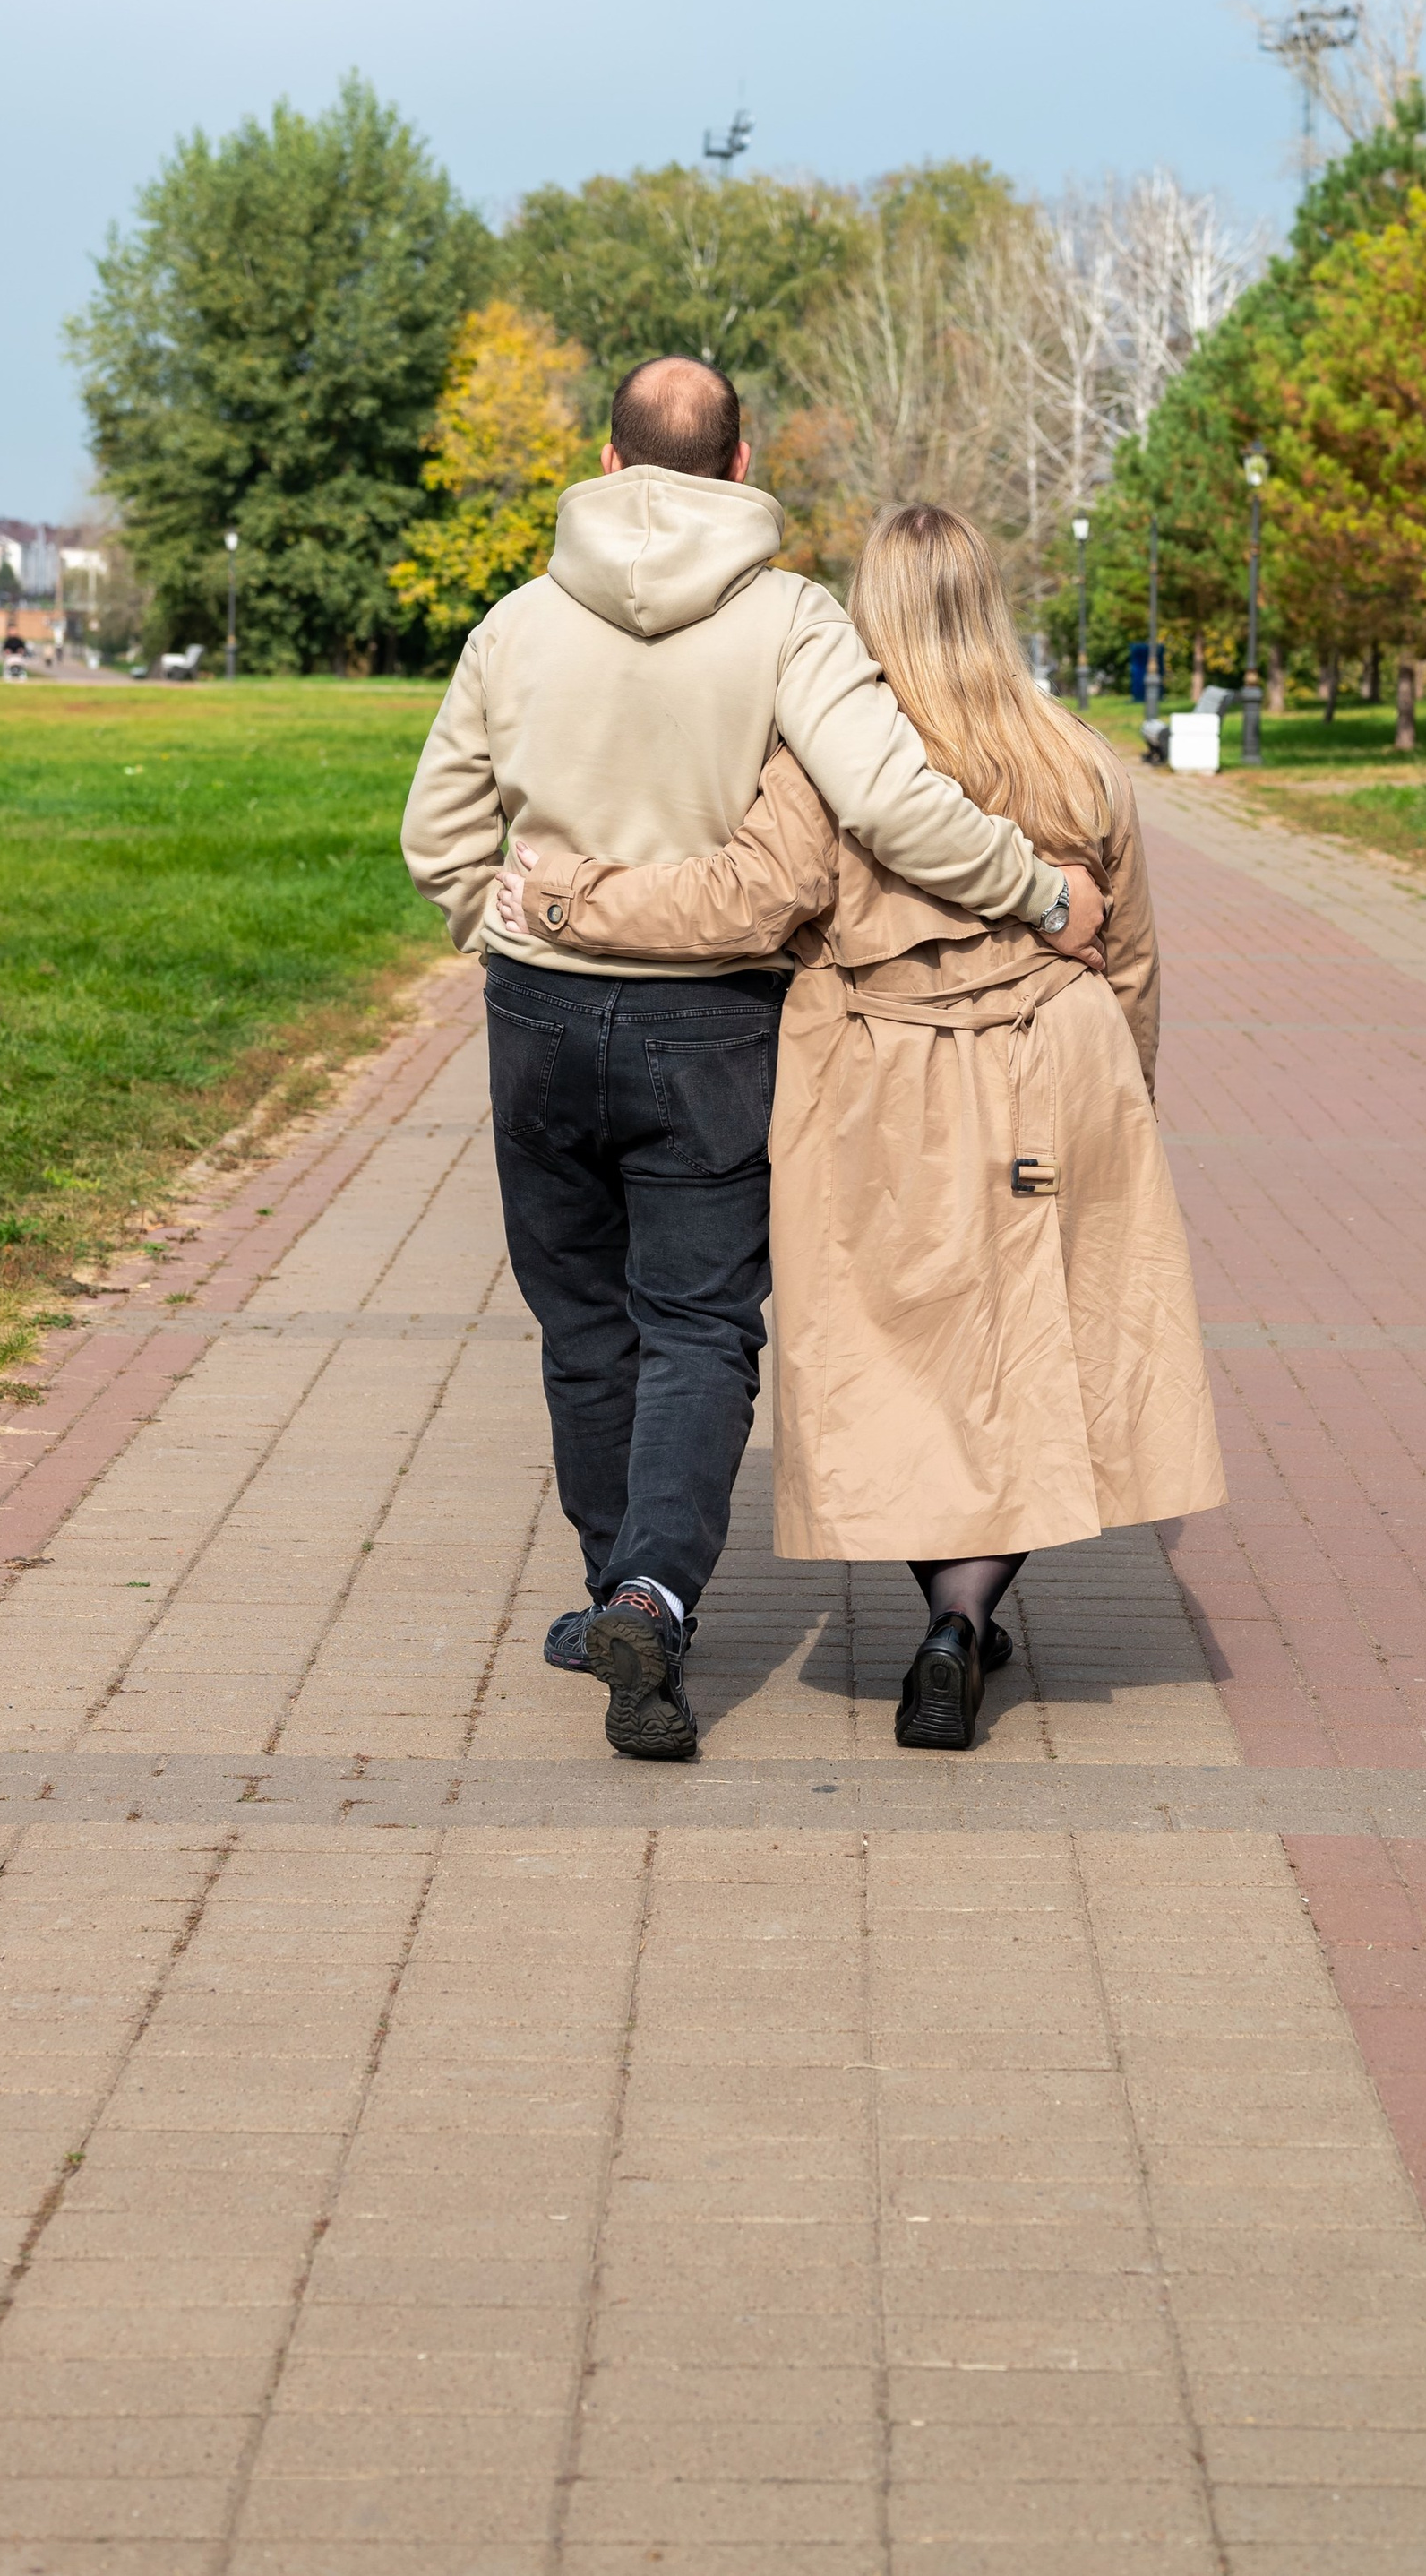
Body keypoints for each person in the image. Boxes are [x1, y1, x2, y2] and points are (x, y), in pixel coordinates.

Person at [400, 363, 1102, 1763]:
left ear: (606, 457)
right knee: (700, 1324)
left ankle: (620, 1589)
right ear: (739, 462)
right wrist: (1033, 888)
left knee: (582, 1321)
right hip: (713, 1024)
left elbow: (438, 832)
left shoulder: (516, 623)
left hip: (539, 1016)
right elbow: (892, 800)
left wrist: (513, 919)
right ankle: (654, 1597)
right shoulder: (788, 617)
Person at [494, 500, 1225, 1752]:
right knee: (1020, 1363)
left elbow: (740, 902)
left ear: (870, 612)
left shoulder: (834, 756)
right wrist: (1129, 1111)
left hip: (886, 1083)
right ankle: (959, 1622)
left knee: (897, 1364)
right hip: (1061, 1069)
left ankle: (932, 1614)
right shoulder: (1078, 759)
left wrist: (563, 901)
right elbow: (1134, 955)